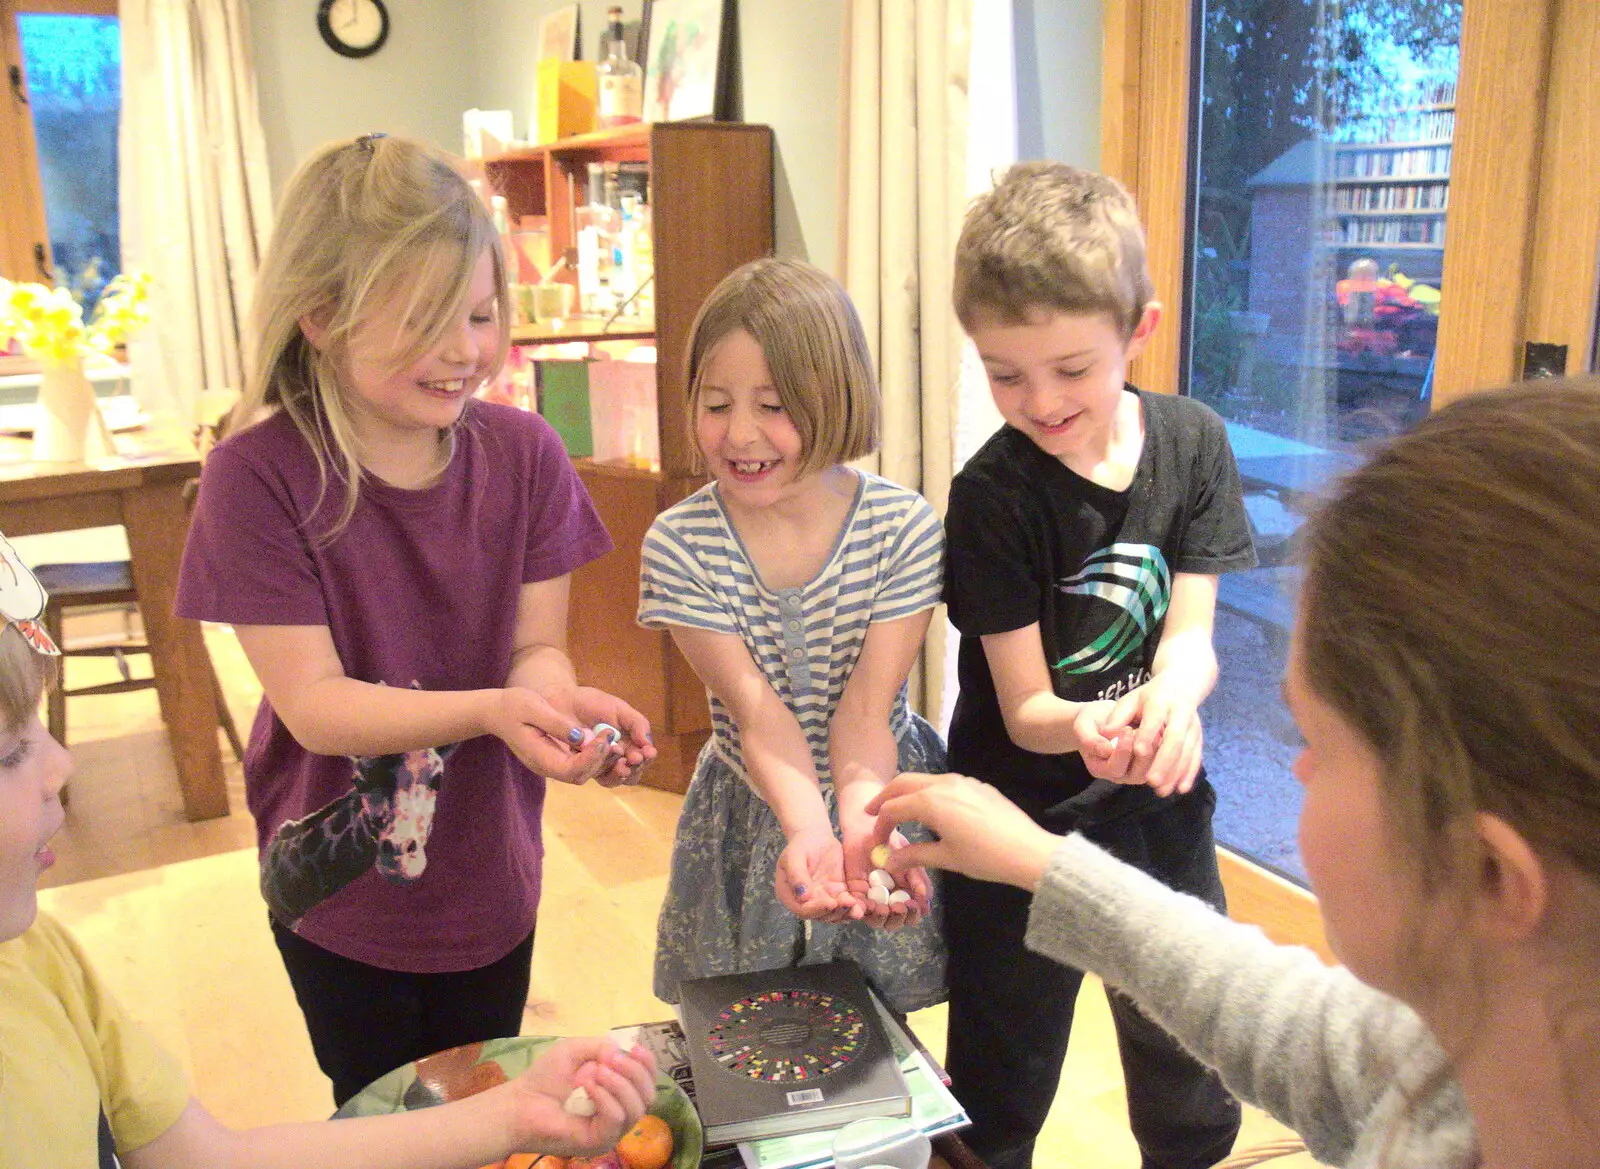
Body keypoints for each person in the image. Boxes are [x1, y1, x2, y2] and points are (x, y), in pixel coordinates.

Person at [873, 377, 1600, 1169]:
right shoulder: (1458, 1052)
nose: (1299, 764)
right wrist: (1034, 858)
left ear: (1487, 872)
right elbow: (1270, 1008)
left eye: (1316, 737)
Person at [176, 134, 656, 1107]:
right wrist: (490, 711)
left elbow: (534, 647)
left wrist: (556, 709)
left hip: (489, 868)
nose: (464, 349)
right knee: (379, 1104)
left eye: (479, 315)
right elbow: (313, 706)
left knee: (480, 1091)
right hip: (339, 895)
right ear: (321, 315)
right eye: (426, 320)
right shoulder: (257, 475)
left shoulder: (525, 454)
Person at [0, 535, 660, 1169]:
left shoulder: (42, 963)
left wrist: (514, 1113)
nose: (62, 761)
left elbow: (211, 1157)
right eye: (9, 752)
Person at [939, 161, 1256, 1169]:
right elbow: (1024, 701)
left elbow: (1191, 636)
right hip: (1015, 817)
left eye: (1071, 368)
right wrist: (1084, 726)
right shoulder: (992, 495)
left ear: (1139, 329)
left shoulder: (1194, 443)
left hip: (1159, 810)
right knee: (1002, 1068)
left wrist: (1170, 696)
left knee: (1186, 1057)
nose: (1038, 400)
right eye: (1003, 372)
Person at [637, 258, 947, 1013]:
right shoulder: (680, 545)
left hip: (876, 791)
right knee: (747, 1027)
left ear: (833, 396)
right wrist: (807, 830)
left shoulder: (901, 528)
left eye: (773, 405)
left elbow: (868, 711)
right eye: (716, 403)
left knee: (874, 1031)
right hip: (752, 801)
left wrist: (862, 835)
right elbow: (758, 713)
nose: (740, 433)